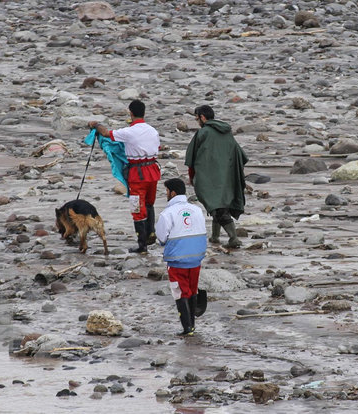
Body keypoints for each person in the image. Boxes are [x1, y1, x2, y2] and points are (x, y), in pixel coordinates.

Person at [88, 100, 160, 254]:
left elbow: (107, 133)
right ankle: (151, 233)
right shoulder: (153, 131)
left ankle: (142, 245)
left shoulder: (129, 132)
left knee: (136, 207)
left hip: (137, 173)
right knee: (149, 203)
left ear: (131, 113)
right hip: (153, 170)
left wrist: (96, 124)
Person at [185, 105, 248, 248]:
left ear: (202, 117)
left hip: (209, 178)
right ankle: (215, 237)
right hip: (228, 177)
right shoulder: (227, 132)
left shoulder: (203, 133)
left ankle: (234, 238)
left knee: (217, 207)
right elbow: (240, 155)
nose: (197, 121)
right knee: (219, 205)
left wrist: (192, 177)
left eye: (197, 118)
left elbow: (191, 159)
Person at [155, 178, 207, 336]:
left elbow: (162, 238)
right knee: (192, 290)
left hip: (178, 260)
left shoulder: (167, 214)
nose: (166, 194)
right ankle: (192, 325)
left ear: (173, 192)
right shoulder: (197, 209)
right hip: (196, 258)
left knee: (180, 292)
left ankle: (187, 328)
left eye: (166, 191)